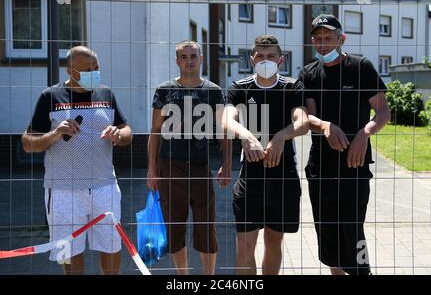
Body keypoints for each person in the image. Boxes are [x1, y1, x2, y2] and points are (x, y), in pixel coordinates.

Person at [21, 46, 133, 275]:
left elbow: (127, 131)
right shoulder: (50, 97)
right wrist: (54, 134)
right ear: (71, 71)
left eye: (96, 67)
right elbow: (27, 142)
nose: (94, 72)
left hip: (105, 187)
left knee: (112, 246)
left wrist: (119, 135)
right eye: (87, 69)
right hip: (64, 190)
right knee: (70, 254)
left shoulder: (106, 94)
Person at [298, 14, 391, 275]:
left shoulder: (361, 67)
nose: (323, 44)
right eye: (317, 39)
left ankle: (363, 273)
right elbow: (308, 115)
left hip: (355, 163)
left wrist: (365, 133)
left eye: (328, 38)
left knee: (352, 229)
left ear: (342, 39)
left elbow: (383, 112)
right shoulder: (309, 73)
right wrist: (326, 125)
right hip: (321, 166)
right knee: (327, 230)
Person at [222, 35, 309, 275]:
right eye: (260, 56)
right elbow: (227, 120)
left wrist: (282, 136)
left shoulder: (292, 87)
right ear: (251, 59)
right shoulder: (239, 88)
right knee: (245, 246)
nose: (265, 60)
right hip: (250, 178)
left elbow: (302, 122)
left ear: (281, 60)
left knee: (273, 242)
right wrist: (246, 136)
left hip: (284, 177)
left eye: (271, 56)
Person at [146, 40, 231, 275]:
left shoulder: (213, 91)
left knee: (206, 228)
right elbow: (155, 131)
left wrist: (226, 164)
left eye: (193, 56)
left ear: (201, 58)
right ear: (177, 61)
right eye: (183, 57)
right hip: (170, 168)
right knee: (174, 229)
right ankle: (183, 278)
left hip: (201, 167)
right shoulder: (164, 90)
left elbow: (224, 130)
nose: (189, 60)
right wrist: (152, 169)